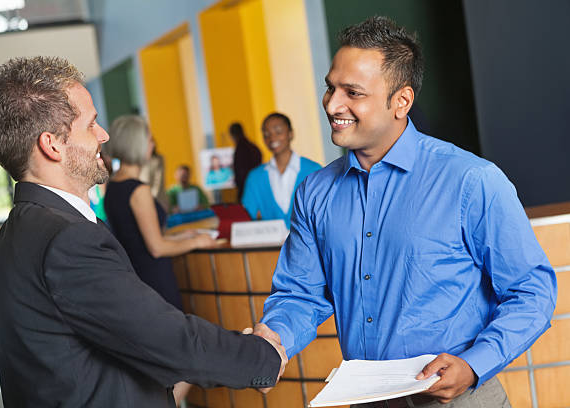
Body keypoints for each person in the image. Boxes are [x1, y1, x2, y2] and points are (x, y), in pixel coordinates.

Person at [252, 17, 556, 407]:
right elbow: (300, 293)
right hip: (367, 399)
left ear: (402, 101)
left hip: (459, 400)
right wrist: (274, 340)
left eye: (352, 92)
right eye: (330, 87)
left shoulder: (470, 180)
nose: (332, 104)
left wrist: (473, 365)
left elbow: (532, 290)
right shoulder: (315, 191)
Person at [0, 56, 286, 408]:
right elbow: (164, 338)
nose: (104, 136)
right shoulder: (67, 239)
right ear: (53, 145)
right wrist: (260, 358)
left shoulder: (17, 232)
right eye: (91, 125)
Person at [104, 114, 213, 313]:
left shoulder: (113, 186)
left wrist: (181, 236)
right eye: (150, 139)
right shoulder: (138, 190)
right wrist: (198, 241)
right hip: (155, 279)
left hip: (134, 277)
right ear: (137, 143)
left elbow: (137, 237)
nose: (153, 144)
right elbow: (156, 248)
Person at [241, 112, 321, 228]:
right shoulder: (255, 177)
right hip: (270, 245)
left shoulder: (314, 170)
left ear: (291, 134)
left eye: (278, 132)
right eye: (266, 134)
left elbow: (324, 214)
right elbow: (246, 218)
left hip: (310, 244)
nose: (272, 138)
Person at [229, 122, 262, 198]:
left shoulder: (240, 149)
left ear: (232, 135)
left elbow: (240, 171)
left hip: (246, 188)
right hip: (257, 185)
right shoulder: (253, 146)